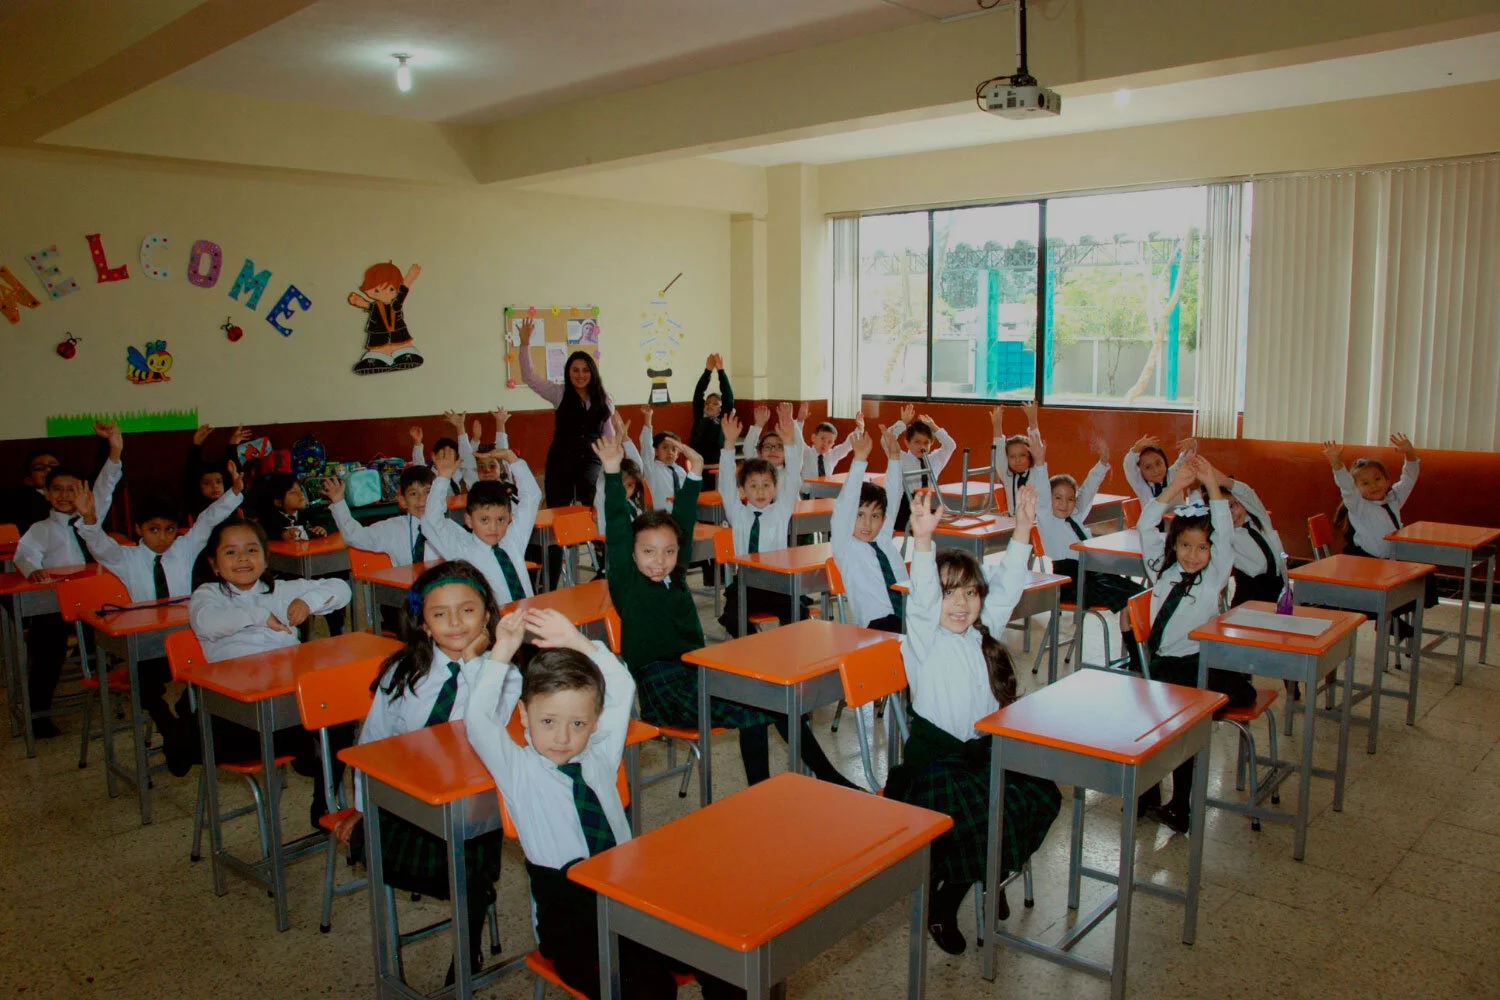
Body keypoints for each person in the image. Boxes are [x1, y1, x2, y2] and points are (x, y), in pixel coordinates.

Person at [463, 607, 746, 999]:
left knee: (724, 951)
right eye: (548, 722)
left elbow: (621, 684)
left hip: (629, 894)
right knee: (650, 988)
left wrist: (578, 642)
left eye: (577, 723)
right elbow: (477, 720)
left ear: (595, 722)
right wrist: (502, 652)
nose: (562, 737)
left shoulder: (598, 755)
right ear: (524, 717)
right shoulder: (518, 769)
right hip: (572, 923)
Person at [595, 432, 852, 790]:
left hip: (697, 670)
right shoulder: (628, 583)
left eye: (668, 552)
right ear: (634, 555)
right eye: (649, 553)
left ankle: (826, 777)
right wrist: (610, 470)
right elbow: (619, 532)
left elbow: (681, 525)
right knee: (756, 711)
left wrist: (697, 472)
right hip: (662, 687)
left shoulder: (677, 576)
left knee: (773, 700)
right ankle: (765, 792)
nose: (660, 561)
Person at [886, 486, 1060, 955]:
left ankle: (992, 870)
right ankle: (945, 906)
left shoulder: (982, 632)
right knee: (984, 813)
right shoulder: (922, 640)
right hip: (936, 767)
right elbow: (922, 600)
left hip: (979, 758)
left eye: (969, 593)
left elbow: (1008, 586)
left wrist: (1023, 527)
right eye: (949, 594)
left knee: (1040, 794)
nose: (960, 604)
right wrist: (922, 542)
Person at [335, 561, 504, 984]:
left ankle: (465, 953)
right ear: (423, 623)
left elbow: (491, 721)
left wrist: (475, 663)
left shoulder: (504, 673)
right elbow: (372, 743)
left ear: (487, 614)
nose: (455, 623)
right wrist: (360, 805)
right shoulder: (402, 672)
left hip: (472, 805)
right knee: (458, 871)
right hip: (406, 801)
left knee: (470, 857)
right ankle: (473, 901)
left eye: (467, 610)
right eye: (440, 614)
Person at [183, 518, 353, 824]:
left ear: (265, 556)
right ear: (215, 564)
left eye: (251, 550)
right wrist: (259, 614)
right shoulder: (207, 596)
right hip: (236, 709)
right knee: (316, 729)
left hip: (286, 697)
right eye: (231, 553)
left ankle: (322, 801)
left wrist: (308, 600)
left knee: (339, 710)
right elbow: (208, 622)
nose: (243, 559)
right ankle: (311, 752)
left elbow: (341, 588)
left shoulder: (282, 589)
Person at [75, 452, 243, 759]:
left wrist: (234, 493)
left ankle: (185, 720)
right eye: (153, 530)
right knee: (143, 681)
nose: (163, 538)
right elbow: (98, 545)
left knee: (211, 667)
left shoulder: (184, 548)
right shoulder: (126, 558)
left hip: (184, 637)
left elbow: (208, 520)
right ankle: (168, 725)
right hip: (147, 643)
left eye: (169, 529)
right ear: (138, 529)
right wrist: (88, 521)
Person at [1137, 458, 1257, 833]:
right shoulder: (1162, 569)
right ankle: (1156, 795)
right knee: (1182, 722)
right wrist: (1174, 489)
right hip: (1164, 666)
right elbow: (1145, 524)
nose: (1192, 554)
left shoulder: (1213, 577)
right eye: (1185, 545)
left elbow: (1225, 533)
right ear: (1175, 544)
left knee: (1235, 698)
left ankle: (1178, 803)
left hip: (1195, 662)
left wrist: (1212, 486)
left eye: (1201, 548)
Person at [12, 425, 123, 736]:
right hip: (55, 605)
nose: (64, 496)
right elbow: (25, 553)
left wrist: (114, 450)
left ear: (83, 492)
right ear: (46, 494)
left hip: (93, 602)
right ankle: (40, 713)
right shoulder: (41, 528)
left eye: (71, 489)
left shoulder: (92, 515)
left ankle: (113, 692)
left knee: (109, 637)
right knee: (47, 649)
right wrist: (33, 568)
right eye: (57, 489)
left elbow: (107, 482)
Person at [716, 410, 804, 637]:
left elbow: (793, 478)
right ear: (743, 490)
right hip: (745, 582)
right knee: (731, 618)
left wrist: (789, 443)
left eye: (766, 485)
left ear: (775, 489)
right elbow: (726, 483)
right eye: (753, 486)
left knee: (800, 615)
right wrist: (728, 443)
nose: (761, 491)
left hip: (776, 582)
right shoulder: (739, 513)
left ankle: (790, 651)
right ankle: (756, 646)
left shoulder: (780, 511)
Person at [421, 446, 541, 605]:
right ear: (469, 520)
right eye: (484, 520)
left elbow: (532, 496)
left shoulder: (513, 539)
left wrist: (511, 458)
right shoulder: (461, 549)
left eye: (501, 520)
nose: (494, 527)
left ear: (509, 518)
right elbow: (431, 522)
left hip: (528, 618)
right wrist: (443, 477)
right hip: (493, 625)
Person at [516, 317, 614, 509]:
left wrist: (614, 459)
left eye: (585, 370)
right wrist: (525, 343)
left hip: (591, 458)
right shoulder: (558, 393)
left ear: (592, 373)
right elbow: (529, 377)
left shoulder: (604, 398)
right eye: (575, 370)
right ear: (568, 373)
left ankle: (593, 538)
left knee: (591, 494)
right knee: (557, 505)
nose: (580, 375)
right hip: (562, 458)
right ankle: (560, 539)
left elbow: (608, 434)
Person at [830, 426, 907, 632]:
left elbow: (893, 493)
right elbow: (846, 503)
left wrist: (894, 457)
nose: (867, 524)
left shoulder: (882, 537)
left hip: (908, 613)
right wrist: (860, 460)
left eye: (875, 516)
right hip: (877, 625)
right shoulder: (845, 546)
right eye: (860, 515)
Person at [325, 465, 447, 568]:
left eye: (428, 492)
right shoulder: (392, 529)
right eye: (413, 494)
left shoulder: (448, 529)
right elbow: (355, 536)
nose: (422, 500)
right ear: (403, 501)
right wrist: (339, 502)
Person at [887, 404, 956, 530]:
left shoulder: (934, 459)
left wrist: (934, 427)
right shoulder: (900, 457)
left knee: (949, 520)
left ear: (931, 443)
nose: (922, 447)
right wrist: (902, 423)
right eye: (917, 442)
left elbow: (950, 445)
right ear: (907, 443)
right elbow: (886, 440)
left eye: (926, 443)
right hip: (905, 510)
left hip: (926, 508)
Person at [690, 353, 733, 489]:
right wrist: (707, 371)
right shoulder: (699, 419)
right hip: (698, 470)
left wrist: (721, 371)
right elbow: (698, 395)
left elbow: (728, 398)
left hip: (716, 471)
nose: (710, 405)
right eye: (708, 402)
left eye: (715, 403)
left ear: (721, 408)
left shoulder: (722, 420)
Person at [989, 400, 1040, 513]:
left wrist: (1032, 419)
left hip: (1036, 524)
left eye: (1022, 455)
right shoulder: (1007, 475)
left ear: (1030, 456)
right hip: (1015, 524)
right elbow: (999, 452)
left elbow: (1036, 445)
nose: (1017, 460)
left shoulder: (1036, 472)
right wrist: (997, 425)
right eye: (1012, 456)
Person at [637, 404, 685, 512]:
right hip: (661, 517)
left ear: (678, 453)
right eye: (665, 448)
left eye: (674, 449)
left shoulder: (681, 471)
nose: (670, 452)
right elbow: (646, 447)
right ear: (656, 451)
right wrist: (648, 419)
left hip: (681, 514)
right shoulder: (652, 468)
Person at [1123, 435, 1193, 507]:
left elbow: (1186, 458)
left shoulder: (1174, 473)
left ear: (1165, 462)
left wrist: (1190, 446)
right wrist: (1136, 449)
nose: (1155, 470)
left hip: (1179, 517)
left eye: (1158, 463)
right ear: (1141, 471)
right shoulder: (1140, 484)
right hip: (1152, 518)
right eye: (1148, 467)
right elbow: (1129, 465)